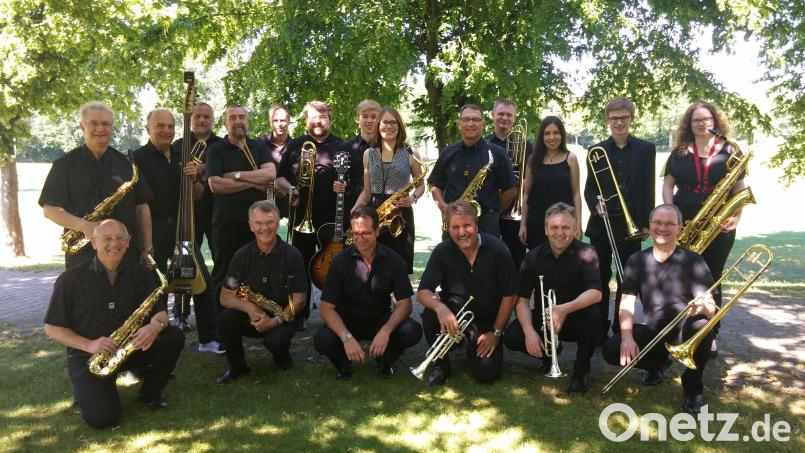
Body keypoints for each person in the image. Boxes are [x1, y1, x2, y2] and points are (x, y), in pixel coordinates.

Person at [43, 219, 185, 428]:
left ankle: (150, 393)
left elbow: (162, 315)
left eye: (120, 238)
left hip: (130, 348)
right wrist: (89, 345)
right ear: (93, 242)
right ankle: (88, 389)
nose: (114, 244)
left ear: (128, 242)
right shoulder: (70, 280)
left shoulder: (142, 274)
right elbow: (52, 328)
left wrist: (154, 327)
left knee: (173, 336)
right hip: (91, 355)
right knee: (103, 420)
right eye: (107, 238)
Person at [601, 204, 716, 413]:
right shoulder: (637, 261)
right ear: (650, 225)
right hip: (653, 329)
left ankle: (692, 389)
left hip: (685, 329)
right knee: (611, 350)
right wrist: (626, 337)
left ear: (680, 227)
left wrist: (703, 307)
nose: (662, 228)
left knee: (702, 326)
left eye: (669, 224)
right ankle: (657, 365)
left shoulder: (694, 261)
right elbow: (626, 301)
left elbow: (711, 308)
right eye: (657, 223)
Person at [134, 109, 223, 354]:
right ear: (148, 128)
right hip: (154, 231)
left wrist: (195, 178)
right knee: (156, 289)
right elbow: (139, 205)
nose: (166, 131)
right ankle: (157, 343)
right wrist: (146, 245)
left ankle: (208, 339)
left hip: (184, 230)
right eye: (160, 126)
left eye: (171, 126)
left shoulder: (181, 153)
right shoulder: (137, 158)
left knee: (203, 285)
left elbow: (198, 196)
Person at [662, 100, 746, 356]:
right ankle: (677, 330)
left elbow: (739, 189)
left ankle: (709, 333)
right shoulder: (679, 152)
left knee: (712, 278)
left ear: (715, 121)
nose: (702, 123)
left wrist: (736, 216)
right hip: (685, 221)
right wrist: (671, 213)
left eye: (706, 119)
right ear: (689, 123)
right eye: (696, 119)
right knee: (679, 277)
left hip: (719, 223)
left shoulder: (731, 150)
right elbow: (668, 185)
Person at [39, 101, 153, 269]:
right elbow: (50, 210)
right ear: (82, 126)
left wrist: (147, 248)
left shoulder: (128, 165)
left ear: (112, 127)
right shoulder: (64, 165)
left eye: (106, 124)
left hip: (126, 254)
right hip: (82, 255)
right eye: (93, 123)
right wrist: (86, 226)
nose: (100, 129)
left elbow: (142, 209)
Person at [416, 200, 518, 385]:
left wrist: (495, 333)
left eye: (467, 225)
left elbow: (510, 295)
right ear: (449, 228)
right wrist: (440, 308)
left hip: (487, 325)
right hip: (454, 321)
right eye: (455, 227)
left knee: (487, 375)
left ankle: (475, 350)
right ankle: (441, 365)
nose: (462, 232)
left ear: (476, 225)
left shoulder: (498, 249)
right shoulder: (443, 251)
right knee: (430, 315)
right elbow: (423, 291)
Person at [503, 202, 601, 394]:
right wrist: (529, 331)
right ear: (546, 230)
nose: (560, 232)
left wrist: (564, 309)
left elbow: (596, 293)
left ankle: (581, 372)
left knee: (594, 315)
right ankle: (547, 356)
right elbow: (521, 300)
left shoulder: (587, 252)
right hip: (545, 320)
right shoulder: (532, 257)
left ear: (574, 230)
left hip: (575, 317)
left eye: (566, 227)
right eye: (554, 227)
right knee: (513, 336)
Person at [314, 207, 422, 380]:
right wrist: (346, 337)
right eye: (356, 233)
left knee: (412, 330)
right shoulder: (339, 261)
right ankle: (344, 365)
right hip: (347, 320)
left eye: (365, 233)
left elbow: (405, 305)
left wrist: (386, 330)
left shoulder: (394, 260)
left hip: (379, 319)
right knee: (321, 340)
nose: (359, 239)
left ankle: (385, 361)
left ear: (377, 231)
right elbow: (326, 309)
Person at [583, 97, 656, 338]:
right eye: (614, 118)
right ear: (607, 120)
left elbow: (648, 187)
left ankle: (620, 328)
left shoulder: (646, 149)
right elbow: (590, 189)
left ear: (632, 119)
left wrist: (647, 222)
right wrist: (595, 205)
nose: (619, 123)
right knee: (600, 278)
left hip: (630, 224)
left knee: (626, 279)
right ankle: (598, 327)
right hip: (602, 224)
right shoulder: (597, 151)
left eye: (624, 118)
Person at [215, 201, 307, 383]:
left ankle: (282, 359)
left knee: (274, 341)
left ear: (279, 222)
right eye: (258, 223)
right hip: (253, 315)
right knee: (224, 320)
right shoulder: (241, 255)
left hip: (283, 316)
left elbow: (300, 300)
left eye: (270, 222)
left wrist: (274, 321)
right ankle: (237, 366)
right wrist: (250, 308)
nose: (264, 228)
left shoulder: (293, 255)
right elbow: (225, 296)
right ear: (250, 225)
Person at [275, 100, 345, 323]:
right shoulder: (296, 144)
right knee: (301, 265)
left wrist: (344, 185)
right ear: (306, 120)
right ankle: (300, 315)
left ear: (330, 119)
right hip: (301, 218)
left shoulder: (341, 146)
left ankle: (334, 314)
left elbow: (352, 181)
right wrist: (290, 189)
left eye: (323, 117)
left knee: (333, 267)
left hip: (332, 219)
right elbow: (279, 177)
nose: (318, 121)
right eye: (313, 117)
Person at [206, 105, 275, 307]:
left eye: (242, 117)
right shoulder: (216, 150)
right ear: (225, 123)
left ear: (248, 121)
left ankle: (252, 318)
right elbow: (215, 184)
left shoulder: (259, 147)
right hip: (226, 222)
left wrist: (235, 176)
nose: (238, 121)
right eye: (233, 117)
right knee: (224, 272)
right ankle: (219, 323)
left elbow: (270, 174)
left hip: (257, 224)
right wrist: (254, 181)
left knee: (256, 272)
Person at [170, 103, 226, 331]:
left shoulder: (221, 144)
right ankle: (181, 314)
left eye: (207, 116)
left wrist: (201, 168)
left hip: (215, 213)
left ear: (213, 119)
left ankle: (220, 311)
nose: (202, 119)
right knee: (184, 263)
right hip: (187, 217)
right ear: (191, 118)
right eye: (198, 116)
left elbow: (221, 171)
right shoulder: (179, 144)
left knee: (220, 262)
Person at [352, 107, 425, 273]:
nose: (389, 126)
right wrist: (354, 210)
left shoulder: (411, 153)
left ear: (399, 126)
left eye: (393, 123)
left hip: (401, 213)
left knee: (399, 268)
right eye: (384, 122)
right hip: (375, 213)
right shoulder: (368, 154)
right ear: (378, 125)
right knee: (375, 268)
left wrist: (413, 197)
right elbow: (367, 192)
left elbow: (420, 185)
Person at [428, 104, 517, 238]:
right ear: (459, 124)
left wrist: (493, 211)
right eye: (466, 119)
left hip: (486, 225)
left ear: (484, 124)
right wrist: (444, 207)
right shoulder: (448, 152)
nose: (471, 124)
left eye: (476, 120)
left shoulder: (497, 153)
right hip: (454, 222)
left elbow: (511, 190)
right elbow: (436, 185)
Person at [518, 116, 582, 249]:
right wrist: (523, 225)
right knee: (539, 266)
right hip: (536, 224)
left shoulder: (571, 158)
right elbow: (526, 196)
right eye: (547, 133)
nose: (551, 137)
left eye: (556, 132)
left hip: (563, 226)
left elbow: (576, 194)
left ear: (562, 135)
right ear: (541, 136)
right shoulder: (532, 160)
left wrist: (578, 224)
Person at [486, 99, 533, 268]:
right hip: (491, 210)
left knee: (516, 258)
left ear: (514, 117)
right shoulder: (485, 144)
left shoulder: (527, 146)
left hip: (516, 211)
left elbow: (533, 175)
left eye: (509, 115)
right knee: (490, 258)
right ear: (492, 115)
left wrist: (521, 184)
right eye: (500, 114)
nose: (504, 118)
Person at [340, 100, 380, 222]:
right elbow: (340, 179)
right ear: (357, 119)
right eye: (365, 116)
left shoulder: (388, 147)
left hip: (382, 206)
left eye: (374, 116)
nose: (369, 120)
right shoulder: (345, 148)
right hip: (355, 207)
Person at [257, 103, 293, 219]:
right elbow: (254, 171)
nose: (279, 124)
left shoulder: (296, 145)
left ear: (289, 120)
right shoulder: (258, 144)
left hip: (290, 203)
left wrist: (287, 187)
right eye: (275, 120)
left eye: (283, 120)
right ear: (270, 121)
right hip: (263, 200)